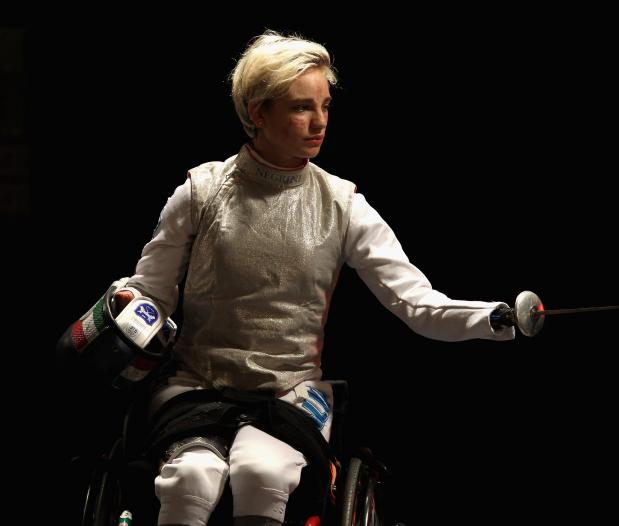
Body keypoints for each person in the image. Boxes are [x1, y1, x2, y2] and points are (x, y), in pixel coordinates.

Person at [111, 30, 515, 526]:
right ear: (258, 113)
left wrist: (495, 318)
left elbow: (416, 303)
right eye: (301, 107)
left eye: (325, 105)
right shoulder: (201, 192)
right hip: (197, 386)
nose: (319, 122)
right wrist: (124, 305)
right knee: (192, 478)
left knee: (263, 473)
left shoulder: (343, 205)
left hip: (289, 393)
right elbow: (150, 288)